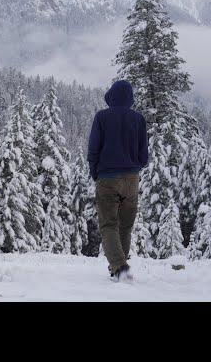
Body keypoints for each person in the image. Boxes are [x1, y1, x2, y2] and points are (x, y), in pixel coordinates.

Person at [87, 80, 148, 281]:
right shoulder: (138, 119)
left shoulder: (102, 117)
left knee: (109, 225)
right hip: (132, 179)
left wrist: (95, 172)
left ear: (111, 96)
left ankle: (119, 267)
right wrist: (134, 167)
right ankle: (119, 267)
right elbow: (144, 156)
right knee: (125, 225)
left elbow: (93, 149)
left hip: (107, 178)